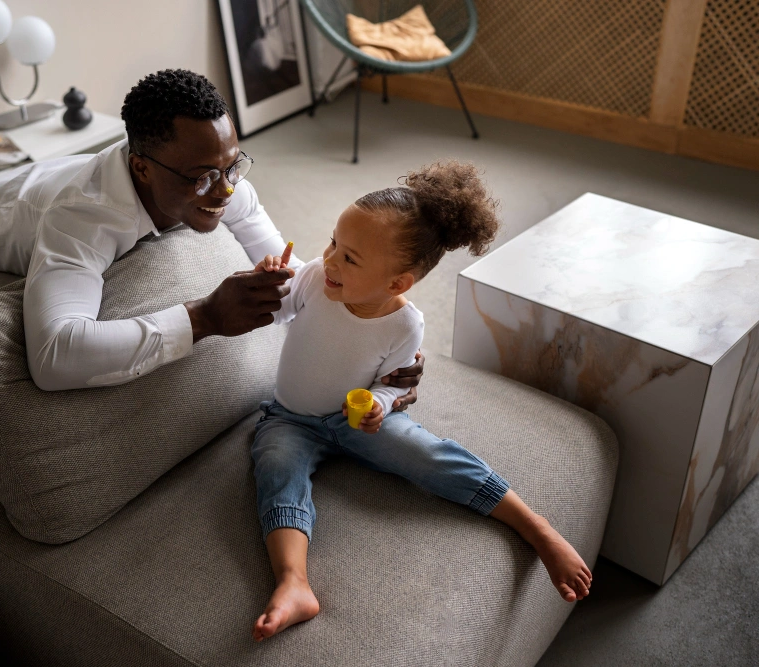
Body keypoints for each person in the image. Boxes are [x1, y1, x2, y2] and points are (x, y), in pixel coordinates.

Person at [0, 69, 424, 400]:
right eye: (201, 176)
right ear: (143, 168)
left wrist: (383, 349)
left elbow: (302, 283)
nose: (224, 191)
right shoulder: (82, 217)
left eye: (232, 165)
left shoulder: (222, 182)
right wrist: (204, 317)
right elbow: (53, 358)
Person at [248, 162, 593, 642]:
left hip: (353, 422)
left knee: (427, 453)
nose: (329, 261)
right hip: (290, 417)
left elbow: (394, 381)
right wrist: (271, 282)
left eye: (350, 259)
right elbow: (278, 310)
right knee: (276, 467)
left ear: (397, 284)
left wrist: (381, 405)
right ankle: (293, 582)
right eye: (332, 243)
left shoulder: (405, 325)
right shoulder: (311, 278)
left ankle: (533, 525)